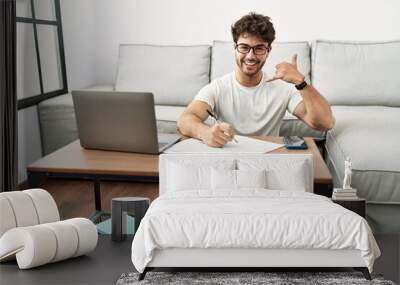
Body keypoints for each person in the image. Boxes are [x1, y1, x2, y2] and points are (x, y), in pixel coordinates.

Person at [177, 12, 335, 147]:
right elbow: (185, 120)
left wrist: (301, 83)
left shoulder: (283, 89)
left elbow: (325, 123)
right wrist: (205, 132)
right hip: (227, 158)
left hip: (267, 160)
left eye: (259, 48)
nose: (251, 56)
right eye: (244, 47)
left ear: (268, 51)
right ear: (235, 48)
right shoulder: (218, 87)